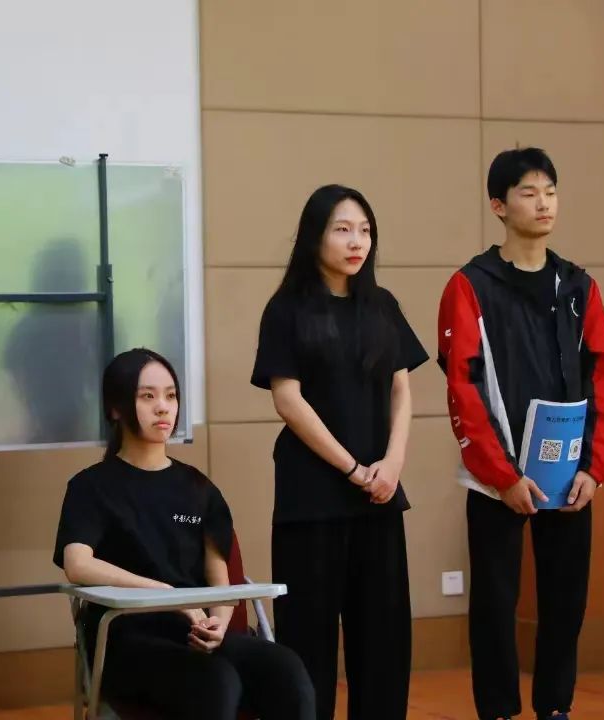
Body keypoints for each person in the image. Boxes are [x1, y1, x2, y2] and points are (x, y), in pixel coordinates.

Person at [437, 147, 604, 720]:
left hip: (569, 474)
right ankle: (498, 709)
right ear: (498, 205)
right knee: (495, 603)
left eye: (551, 191)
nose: (544, 203)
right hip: (498, 478)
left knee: (565, 601)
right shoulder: (470, 286)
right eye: (528, 192)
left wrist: (595, 467)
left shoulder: (579, 286)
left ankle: (555, 707)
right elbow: (464, 386)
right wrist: (503, 475)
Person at [54, 348, 316, 720]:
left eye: (171, 395)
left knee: (286, 671)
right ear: (115, 408)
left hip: (194, 635)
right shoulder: (91, 487)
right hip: (127, 644)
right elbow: (77, 564)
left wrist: (217, 625)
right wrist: (166, 594)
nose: (163, 407)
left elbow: (220, 582)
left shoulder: (198, 488)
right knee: (216, 681)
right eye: (148, 396)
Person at [250, 184, 429, 719]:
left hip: (379, 494)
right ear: (315, 236)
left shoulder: (382, 305)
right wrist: (352, 468)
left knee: (384, 638)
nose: (357, 242)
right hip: (312, 497)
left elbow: (401, 390)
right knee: (308, 639)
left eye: (365, 231)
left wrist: (392, 463)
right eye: (343, 229)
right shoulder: (287, 309)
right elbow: (288, 399)